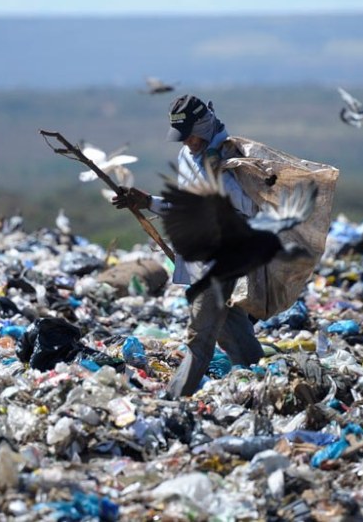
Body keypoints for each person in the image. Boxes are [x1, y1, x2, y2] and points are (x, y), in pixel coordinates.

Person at [112, 94, 265, 398]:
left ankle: (174, 397)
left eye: (192, 135)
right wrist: (148, 202)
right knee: (228, 323)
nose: (188, 143)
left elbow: (253, 208)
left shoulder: (232, 155)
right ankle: (262, 375)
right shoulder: (188, 155)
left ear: (206, 125)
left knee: (199, 334)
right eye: (183, 138)